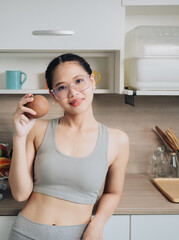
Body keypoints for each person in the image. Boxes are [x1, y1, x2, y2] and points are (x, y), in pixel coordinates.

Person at [9, 53, 129, 240]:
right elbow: (20, 194)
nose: (73, 93)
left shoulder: (117, 140)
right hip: (26, 232)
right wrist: (18, 136)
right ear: (54, 96)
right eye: (62, 87)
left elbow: (113, 192)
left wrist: (97, 224)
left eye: (79, 81)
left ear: (92, 81)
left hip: (79, 235)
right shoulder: (38, 129)